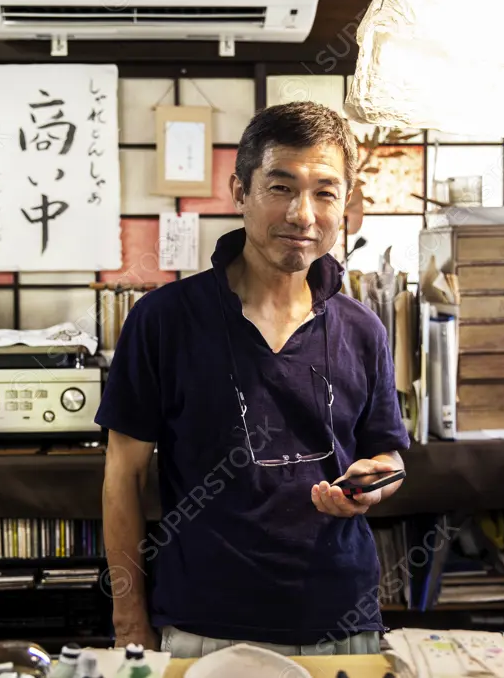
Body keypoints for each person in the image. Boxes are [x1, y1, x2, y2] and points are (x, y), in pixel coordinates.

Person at [96, 101, 410, 659]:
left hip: (340, 622)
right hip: (203, 624)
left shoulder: (363, 329)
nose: (302, 215)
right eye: (281, 187)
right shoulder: (164, 320)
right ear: (240, 191)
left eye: (325, 193)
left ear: (346, 204)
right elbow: (122, 478)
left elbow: (388, 455)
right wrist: (128, 623)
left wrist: (376, 481)